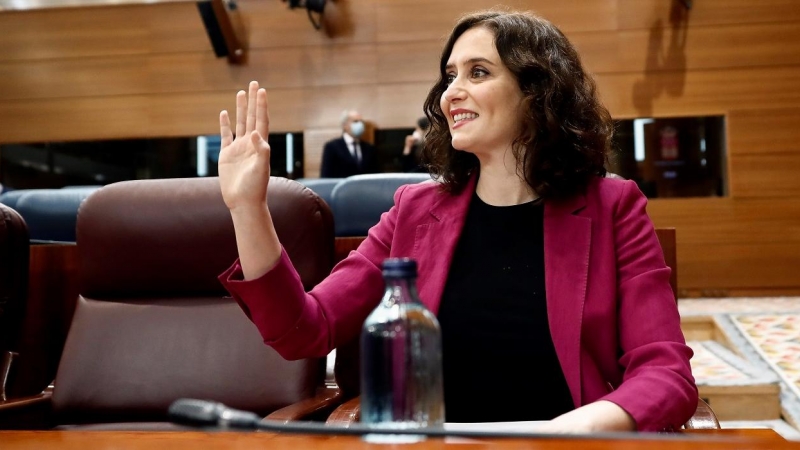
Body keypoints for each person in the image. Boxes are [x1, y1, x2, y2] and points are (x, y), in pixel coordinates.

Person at [216, 9, 696, 433]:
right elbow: (303, 329)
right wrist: (248, 208)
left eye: (478, 72)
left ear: (537, 92)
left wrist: (576, 428)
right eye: (450, 76)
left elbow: (665, 374)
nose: (452, 94)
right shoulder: (414, 211)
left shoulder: (613, 207)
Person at [319, 110, 379, 178]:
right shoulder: (332, 147)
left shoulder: (369, 148)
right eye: (355, 121)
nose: (360, 124)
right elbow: (325, 176)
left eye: (361, 122)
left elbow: (375, 175)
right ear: (345, 125)